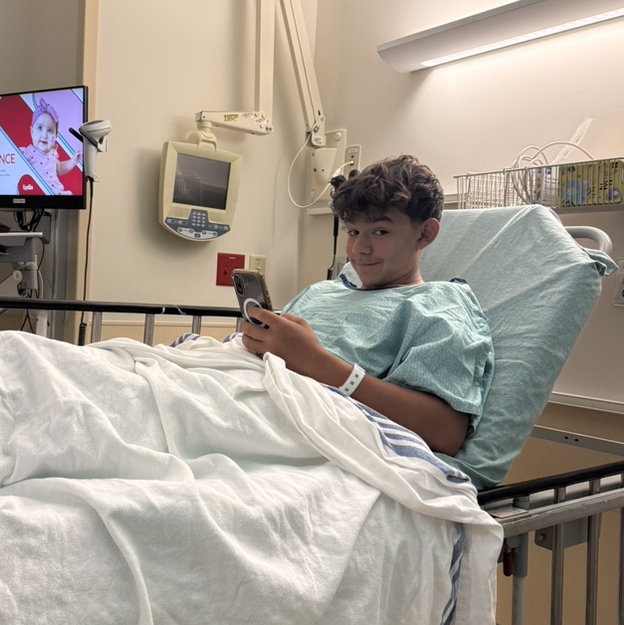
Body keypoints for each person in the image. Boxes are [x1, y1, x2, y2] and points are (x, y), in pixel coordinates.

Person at [240, 154, 494, 457]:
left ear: (425, 233)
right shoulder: (320, 292)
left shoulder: (438, 305)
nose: (359, 249)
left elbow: (446, 432)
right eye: (353, 232)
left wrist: (318, 364)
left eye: (380, 231)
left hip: (284, 428)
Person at [20, 98, 82, 195]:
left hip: (55, 192)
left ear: (56, 136)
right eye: (40, 128)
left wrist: (73, 162)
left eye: (50, 131)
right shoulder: (27, 153)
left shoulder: (53, 153)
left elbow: (60, 168)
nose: (45, 135)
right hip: (39, 193)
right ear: (32, 132)